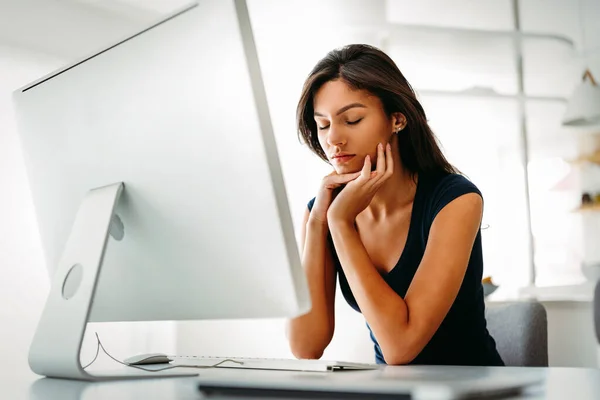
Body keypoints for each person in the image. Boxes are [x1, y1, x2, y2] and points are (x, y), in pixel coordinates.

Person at [286, 44, 504, 366]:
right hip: (394, 391)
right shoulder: (322, 212)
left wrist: (342, 224)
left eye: (353, 119)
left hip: (473, 390)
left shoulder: (456, 200)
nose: (333, 139)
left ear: (397, 120)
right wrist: (320, 221)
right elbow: (306, 346)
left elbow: (400, 347)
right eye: (323, 124)